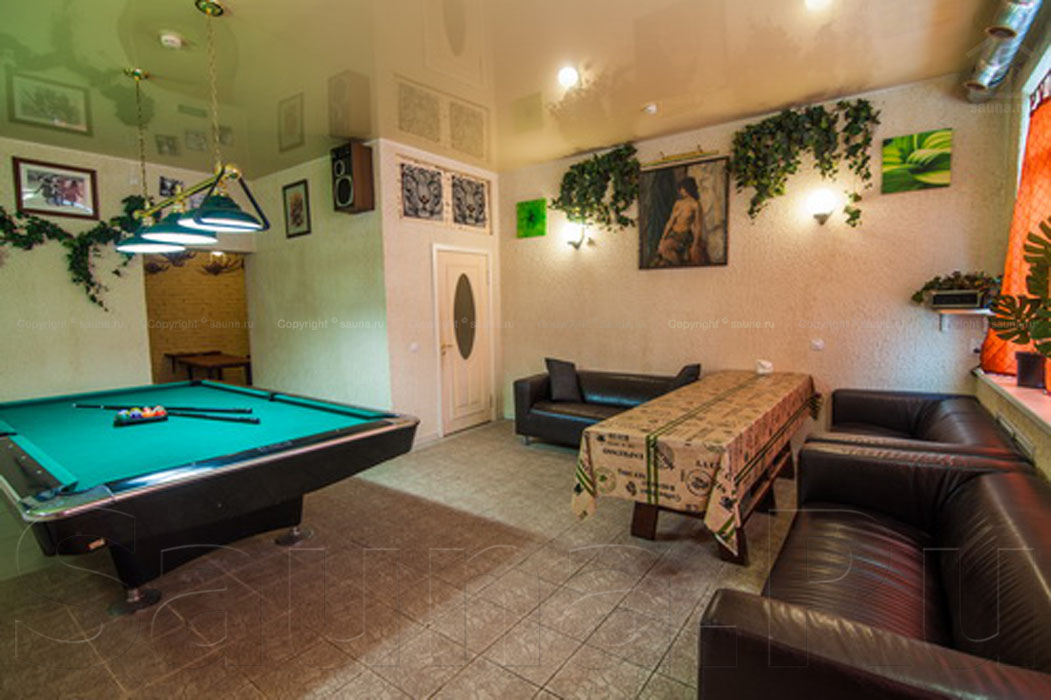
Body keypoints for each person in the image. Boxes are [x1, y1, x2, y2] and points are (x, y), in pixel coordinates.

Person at [653, 176, 706, 267]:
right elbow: (670, 222)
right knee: (662, 250)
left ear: (688, 188)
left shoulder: (695, 204)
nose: (681, 191)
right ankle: (678, 265)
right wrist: (663, 237)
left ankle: (679, 266)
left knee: (664, 248)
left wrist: (695, 243)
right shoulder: (678, 203)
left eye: (683, 188)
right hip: (673, 233)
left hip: (684, 235)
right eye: (681, 188)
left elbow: (698, 226)